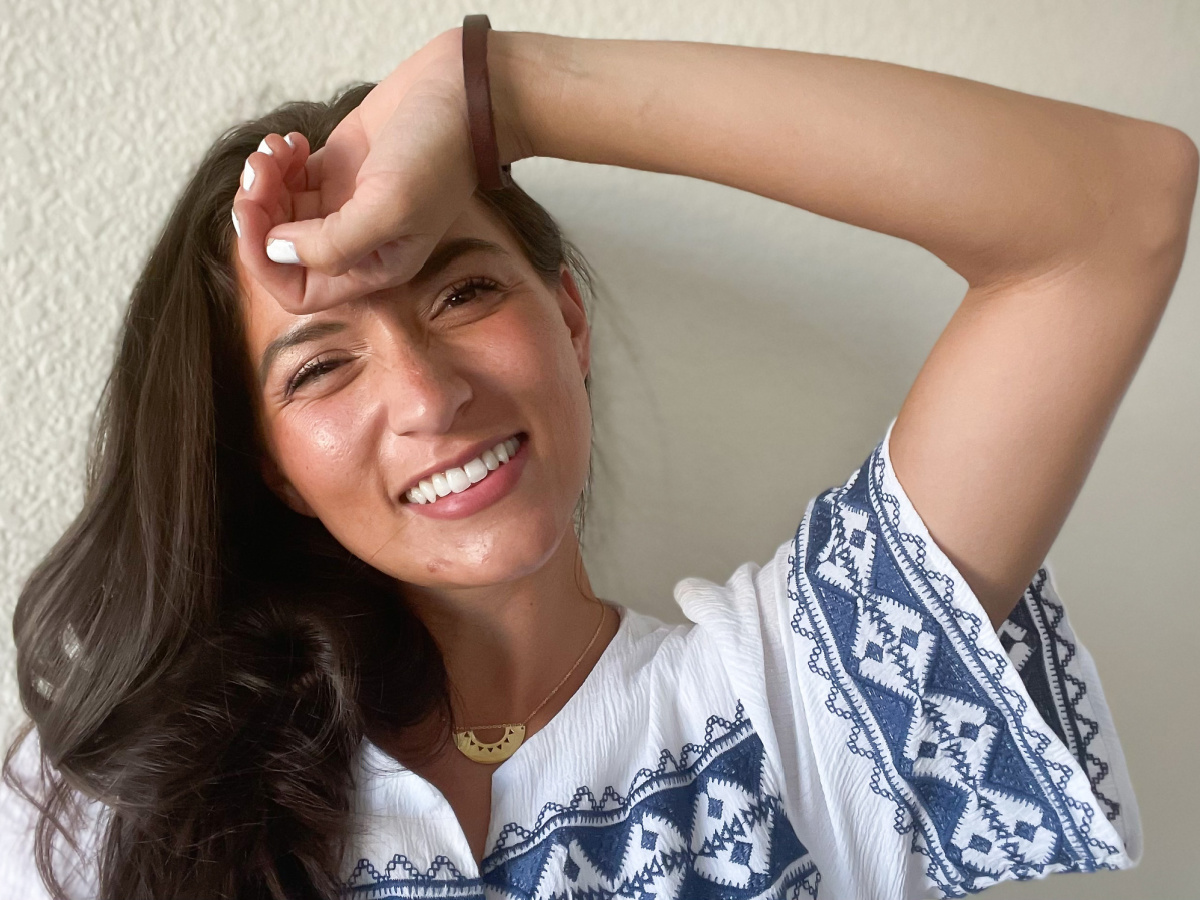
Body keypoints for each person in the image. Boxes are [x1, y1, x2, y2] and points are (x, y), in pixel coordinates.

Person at [4, 17, 1195, 900]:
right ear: (269, 467)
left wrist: (495, 93)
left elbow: (1116, 212)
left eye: (463, 290)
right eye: (321, 367)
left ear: (567, 323)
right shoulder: (108, 807)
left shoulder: (806, 708)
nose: (427, 392)